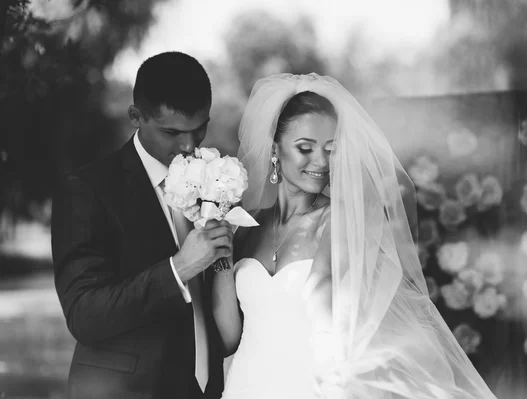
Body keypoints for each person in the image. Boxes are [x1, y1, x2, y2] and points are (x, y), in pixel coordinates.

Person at [212, 73, 498, 399]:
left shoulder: (339, 221)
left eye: (331, 150)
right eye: (305, 148)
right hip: (246, 385)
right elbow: (228, 339)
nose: (320, 162)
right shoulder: (245, 227)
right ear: (275, 149)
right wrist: (221, 259)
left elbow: (325, 297)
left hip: (312, 385)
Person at [51, 52, 230, 399]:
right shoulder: (88, 190)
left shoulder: (216, 183)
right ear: (136, 116)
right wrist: (178, 269)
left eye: (199, 129)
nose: (189, 146)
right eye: (171, 131)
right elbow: (84, 314)